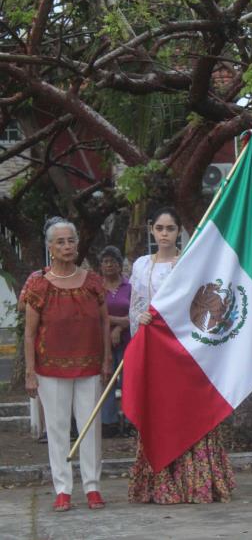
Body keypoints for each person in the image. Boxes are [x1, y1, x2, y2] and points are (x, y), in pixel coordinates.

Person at [127, 207, 235, 504]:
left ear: (179, 232)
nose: (164, 234)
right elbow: (135, 307)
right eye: (160, 228)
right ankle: (160, 483)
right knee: (159, 412)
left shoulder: (189, 263)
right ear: (151, 229)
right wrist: (140, 320)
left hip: (185, 353)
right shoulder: (140, 266)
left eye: (170, 229)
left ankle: (196, 482)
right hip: (154, 353)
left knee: (188, 412)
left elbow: (198, 309)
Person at [23, 217, 112, 512]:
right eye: (60, 242)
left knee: (90, 429)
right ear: (50, 247)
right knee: (58, 429)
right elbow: (29, 332)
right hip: (50, 370)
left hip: (89, 367)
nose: (66, 246)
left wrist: (107, 358)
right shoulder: (39, 284)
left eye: (70, 240)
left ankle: (92, 487)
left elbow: (103, 321)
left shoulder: (93, 281)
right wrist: (30, 373)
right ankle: (62, 489)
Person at [99, 246, 131, 438]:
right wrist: (115, 323)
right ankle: (108, 422)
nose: (109, 265)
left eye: (113, 261)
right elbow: (95, 313)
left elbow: (135, 312)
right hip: (103, 342)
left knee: (128, 381)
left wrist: (119, 328)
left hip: (127, 340)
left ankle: (129, 422)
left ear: (120, 265)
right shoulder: (96, 287)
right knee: (107, 380)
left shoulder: (130, 287)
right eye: (105, 261)